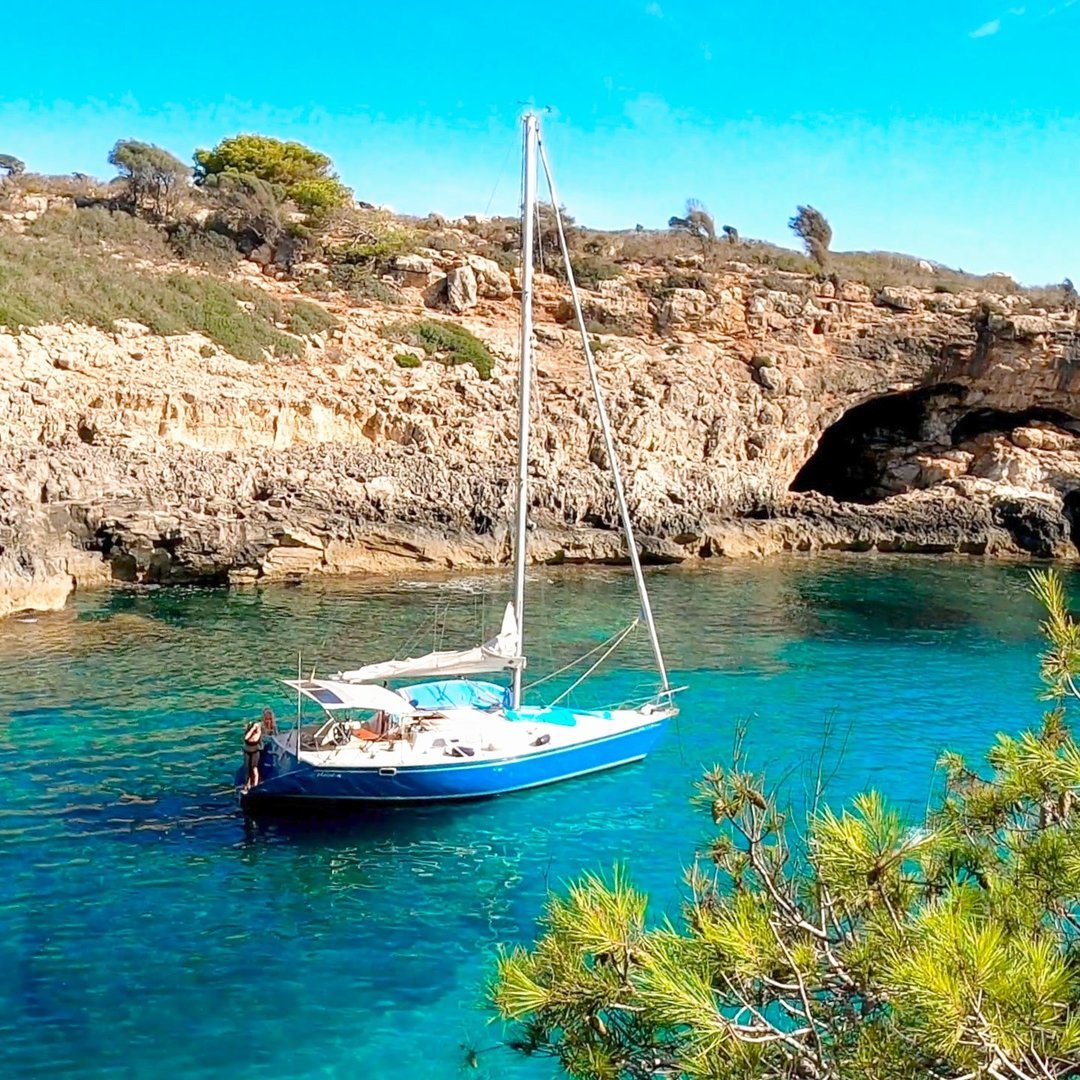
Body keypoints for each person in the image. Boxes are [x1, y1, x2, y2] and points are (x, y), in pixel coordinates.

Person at [242, 714, 263, 793]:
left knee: (254, 768)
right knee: (247, 768)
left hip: (255, 752)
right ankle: (247, 784)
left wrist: (257, 728)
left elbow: (256, 739)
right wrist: (251, 729)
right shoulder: (249, 732)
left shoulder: (258, 732)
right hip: (247, 751)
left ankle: (255, 785)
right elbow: (246, 738)